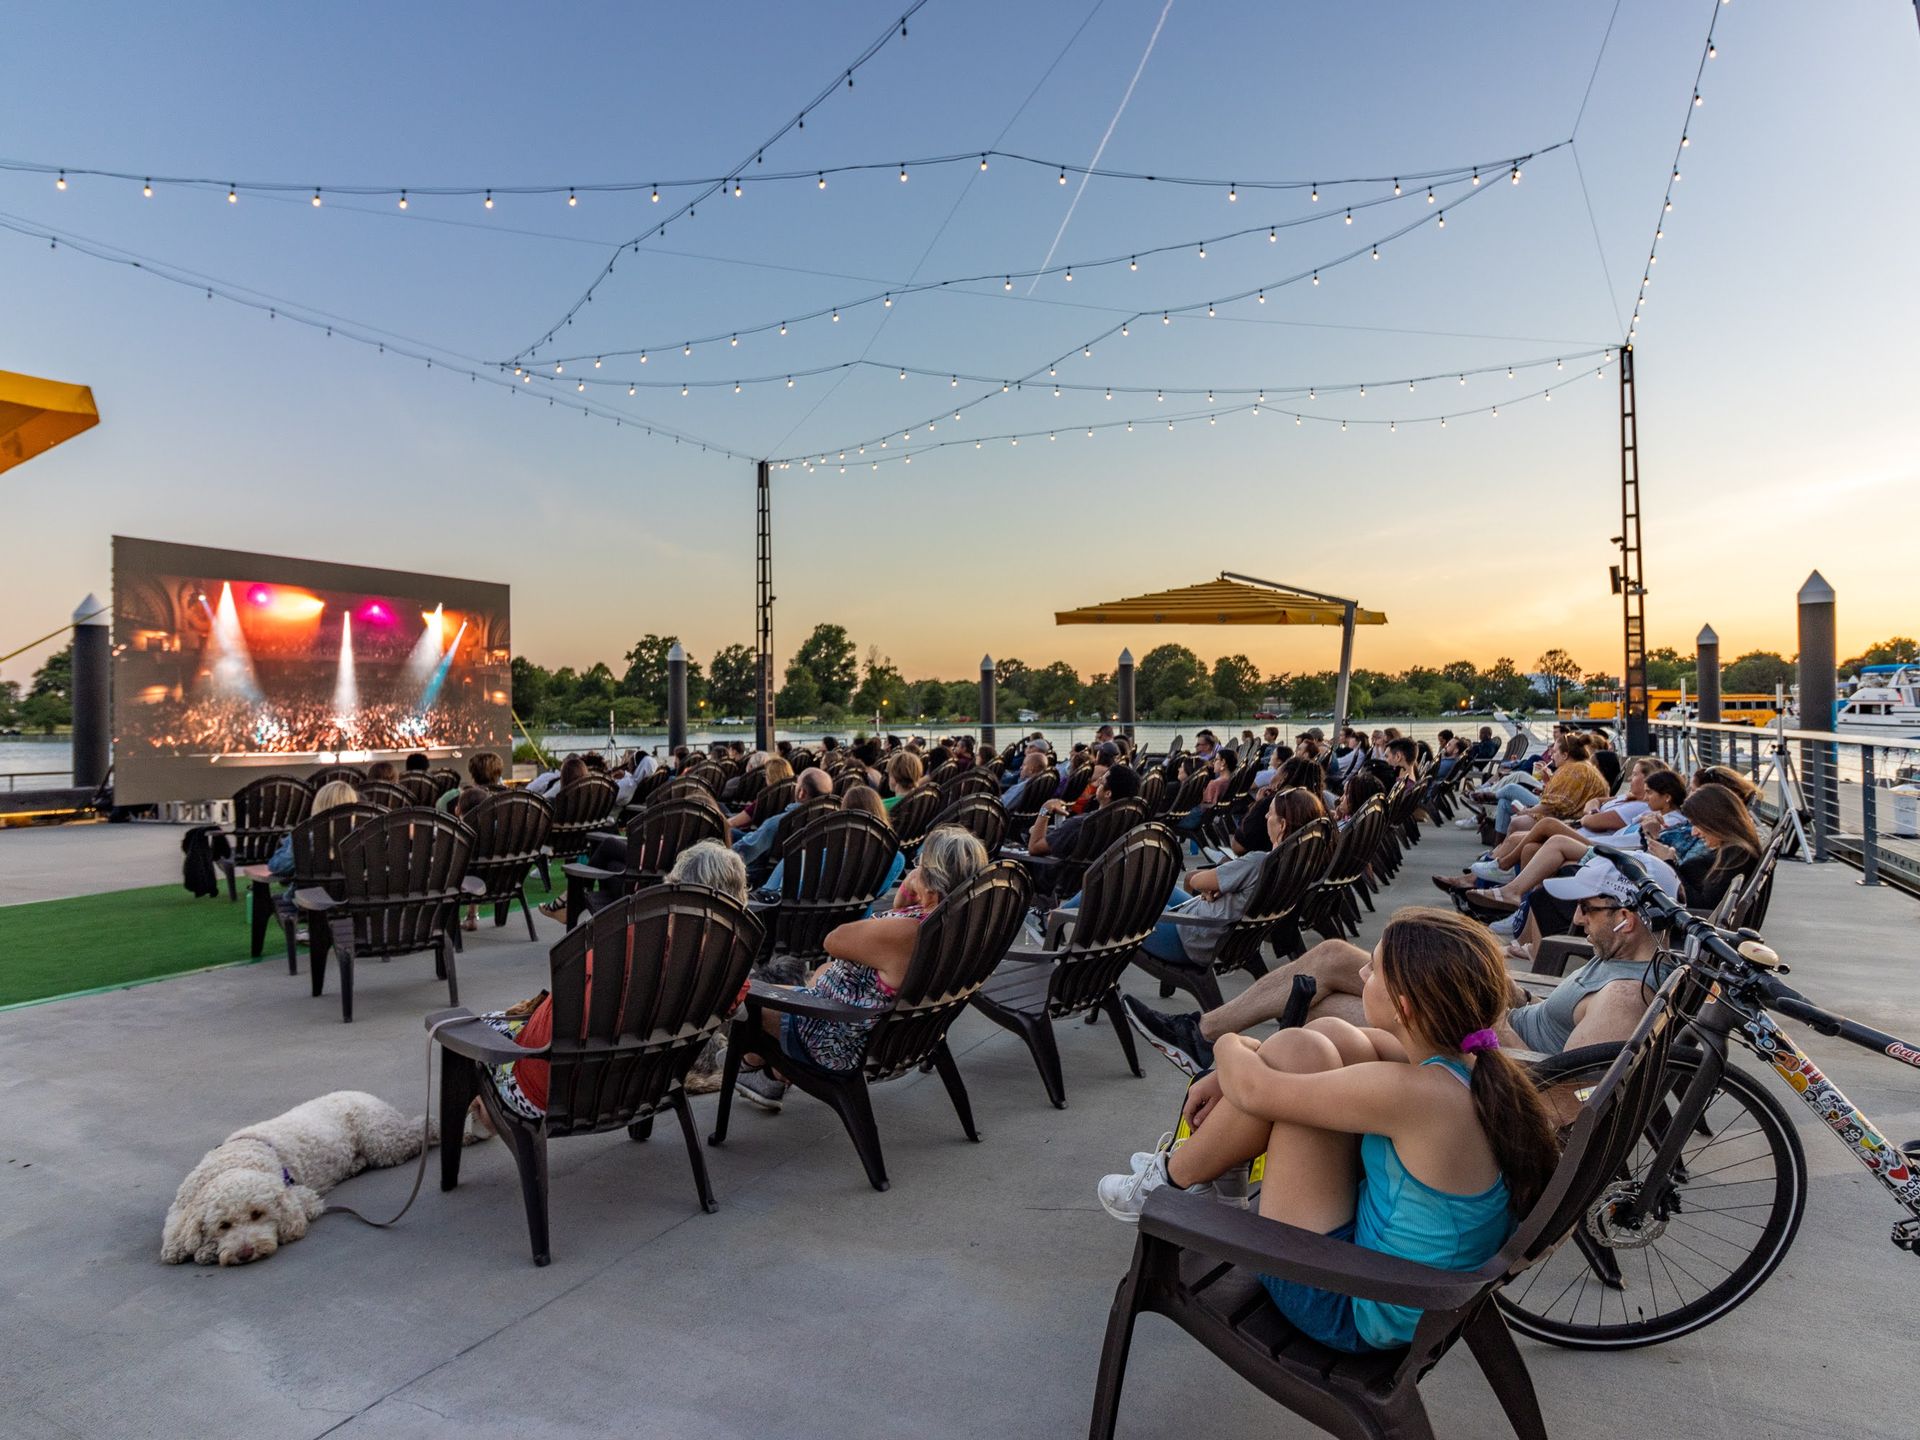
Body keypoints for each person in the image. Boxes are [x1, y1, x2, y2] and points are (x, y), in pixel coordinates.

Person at [1096, 910, 1561, 1358]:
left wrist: (1226, 1044)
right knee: (1312, 1042)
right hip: (1407, 1289)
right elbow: (1330, 1035)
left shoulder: (1415, 1094)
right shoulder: (1464, 1068)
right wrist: (1260, 1054)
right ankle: (1200, 1176)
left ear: (1403, 1007)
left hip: (1351, 1304)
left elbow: (1257, 1091)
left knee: (1286, 1069)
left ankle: (1169, 1183)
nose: (1361, 976)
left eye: (1373, 970)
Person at [468, 842, 751, 1130]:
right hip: (644, 1089)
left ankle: (484, 1117)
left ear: (676, 886)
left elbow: (575, 1015)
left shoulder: (625, 942)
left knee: (473, 1031)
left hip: (552, 1094)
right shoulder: (730, 966)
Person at [733, 826, 989, 1111]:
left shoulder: (909, 933)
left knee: (745, 1001)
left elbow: (834, 940)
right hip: (905, 1040)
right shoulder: (966, 929)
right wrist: (904, 896)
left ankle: (752, 1065)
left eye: (920, 865)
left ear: (930, 882)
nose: (914, 870)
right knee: (818, 974)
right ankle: (771, 1075)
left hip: (840, 1043)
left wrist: (906, 893)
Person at [1073, 788, 1323, 983]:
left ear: (1282, 825)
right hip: (1218, 932)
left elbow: (1196, 880)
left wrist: (1212, 884)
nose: (1266, 816)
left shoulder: (1258, 862)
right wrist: (1220, 887)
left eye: (1270, 813)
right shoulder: (1295, 866)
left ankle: (1061, 920)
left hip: (1191, 938)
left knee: (1116, 890)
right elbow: (1211, 885)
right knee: (1161, 888)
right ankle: (1064, 917)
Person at [764, 784, 906, 906]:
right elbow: (879, 893)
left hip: (810, 922)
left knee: (792, 859)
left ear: (844, 813)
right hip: (859, 919)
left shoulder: (828, 856)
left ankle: (768, 892)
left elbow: (802, 894)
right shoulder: (896, 858)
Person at [1641, 782, 1762, 912]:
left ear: (1713, 821)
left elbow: (1702, 906)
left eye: (1696, 824)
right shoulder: (1735, 850)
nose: (1694, 833)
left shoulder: (1736, 853)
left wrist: (1668, 862)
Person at [734, 766, 832, 885]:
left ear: (802, 793)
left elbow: (747, 850)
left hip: (764, 881)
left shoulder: (779, 823)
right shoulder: (833, 823)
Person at [1025, 764, 1140, 861]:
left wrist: (1045, 809)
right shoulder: (1126, 823)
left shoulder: (1083, 825)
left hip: (1054, 877)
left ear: (1108, 794)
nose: (1099, 780)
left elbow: (1034, 848)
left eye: (1102, 780)